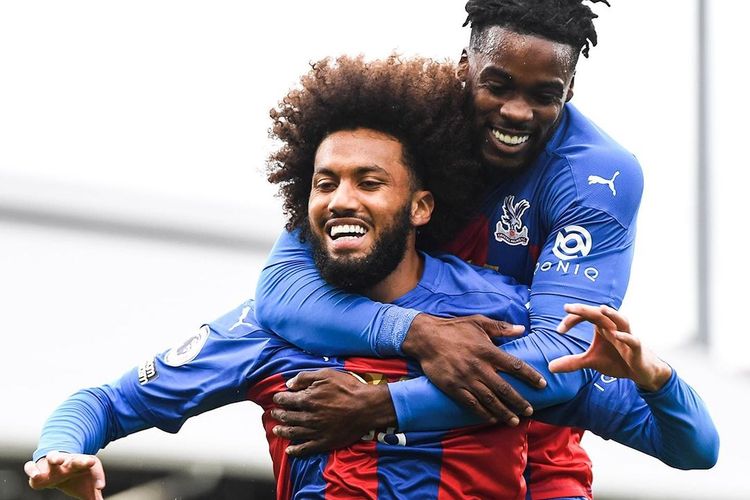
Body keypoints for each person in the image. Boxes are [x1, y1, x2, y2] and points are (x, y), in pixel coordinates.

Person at [25, 55, 717, 500]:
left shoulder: (504, 322)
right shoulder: (269, 325)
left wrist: (657, 379)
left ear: (421, 206)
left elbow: (692, 448)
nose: (342, 199)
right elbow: (102, 403)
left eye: (369, 181)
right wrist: (60, 453)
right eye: (325, 183)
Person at [255, 1, 640, 497]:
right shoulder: (406, 135)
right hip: (377, 441)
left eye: (544, 95)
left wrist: (384, 405)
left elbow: (565, 358)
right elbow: (281, 291)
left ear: (569, 89)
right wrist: (418, 333)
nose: (516, 111)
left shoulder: (597, 176)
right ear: (465, 67)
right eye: (497, 86)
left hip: (534, 446)